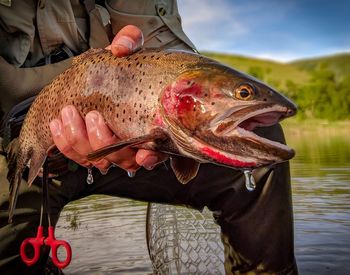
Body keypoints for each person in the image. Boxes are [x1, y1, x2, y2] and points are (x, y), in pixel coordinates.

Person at [0, 0, 298, 274]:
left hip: (130, 134)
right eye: (243, 94)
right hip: (10, 140)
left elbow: (164, 44)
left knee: (263, 136)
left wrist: (138, 41)